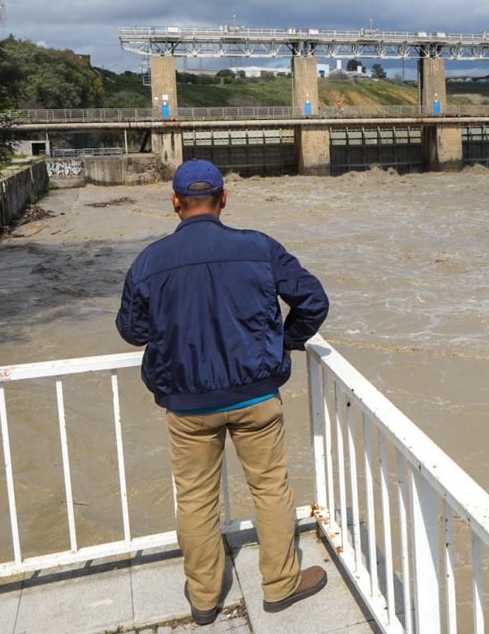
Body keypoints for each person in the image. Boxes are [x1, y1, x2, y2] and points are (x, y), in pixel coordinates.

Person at [116, 158, 330, 625]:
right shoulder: (259, 247)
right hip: (256, 397)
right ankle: (280, 585)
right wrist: (284, 343)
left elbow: (132, 330)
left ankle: (204, 599)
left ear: (175, 203)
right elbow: (313, 301)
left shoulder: (149, 261)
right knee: (271, 488)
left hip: (188, 405)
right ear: (223, 199)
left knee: (194, 498)